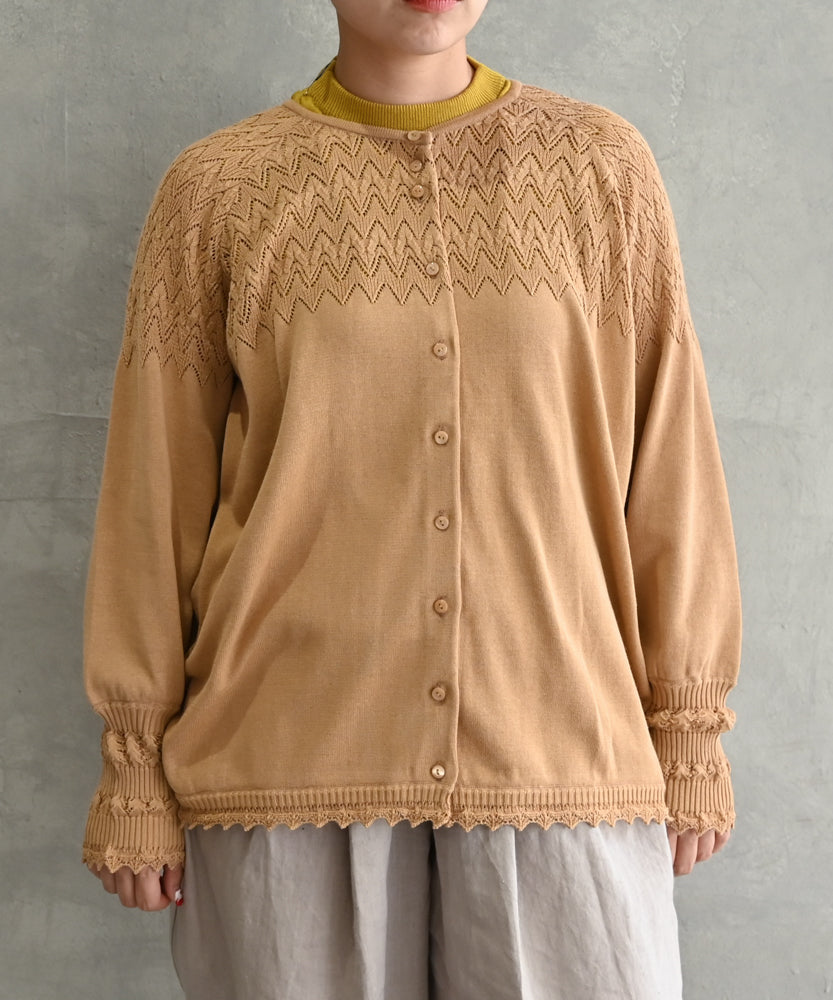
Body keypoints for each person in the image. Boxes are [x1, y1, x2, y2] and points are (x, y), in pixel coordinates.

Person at [82, 0, 742, 996]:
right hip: (287, 758)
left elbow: (670, 465)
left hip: (559, 748)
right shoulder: (217, 190)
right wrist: (133, 760)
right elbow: (151, 495)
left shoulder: (600, 169)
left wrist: (688, 723)